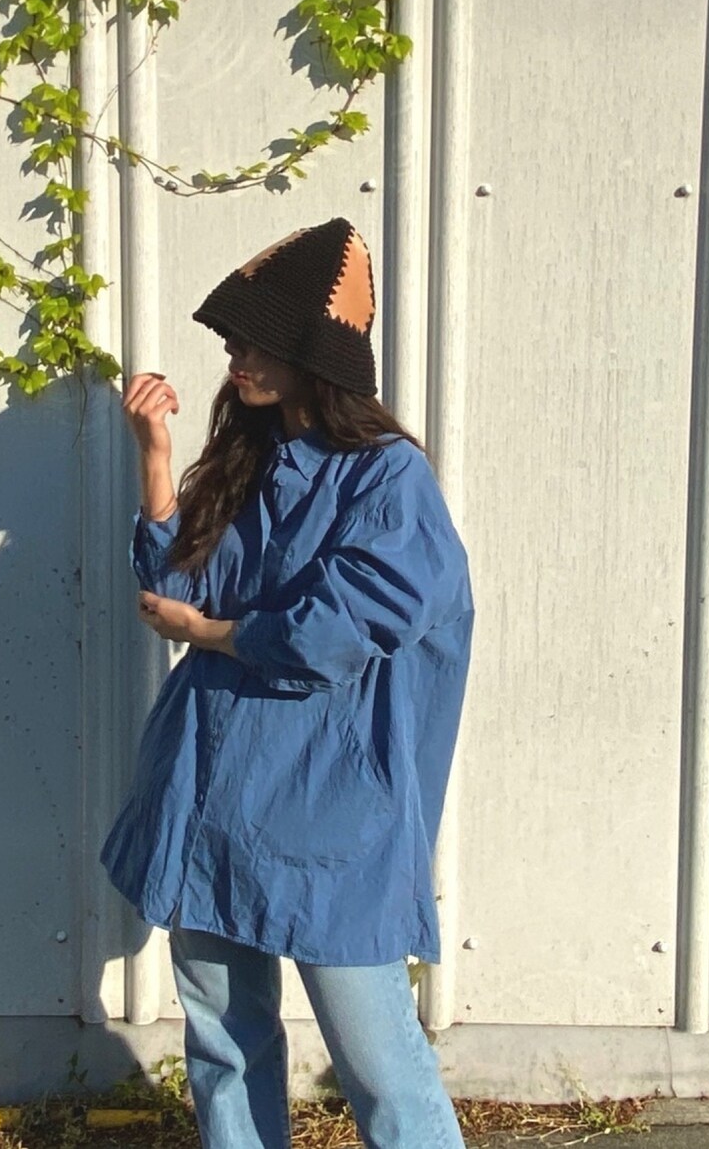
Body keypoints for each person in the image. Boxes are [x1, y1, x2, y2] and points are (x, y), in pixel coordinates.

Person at [102, 217, 474, 1149]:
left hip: (330, 811)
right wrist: (155, 455)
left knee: (380, 1066)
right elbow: (176, 584)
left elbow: (339, 630)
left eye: (258, 341)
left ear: (316, 359)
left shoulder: (389, 480)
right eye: (234, 340)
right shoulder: (256, 459)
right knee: (226, 1046)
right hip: (209, 795)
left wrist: (211, 636)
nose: (236, 358)